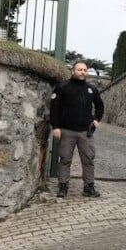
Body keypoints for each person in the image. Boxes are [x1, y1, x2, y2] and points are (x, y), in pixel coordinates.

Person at [50, 61, 105, 198]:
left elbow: (100, 106)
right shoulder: (62, 87)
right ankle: (63, 187)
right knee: (65, 159)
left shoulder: (91, 89)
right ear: (73, 71)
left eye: (85, 70)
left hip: (86, 132)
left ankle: (89, 187)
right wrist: (55, 127)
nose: (82, 72)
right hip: (67, 131)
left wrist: (96, 120)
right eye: (79, 69)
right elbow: (54, 109)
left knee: (88, 160)